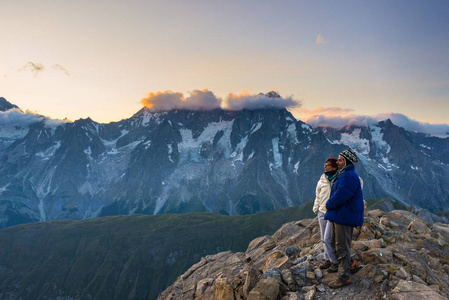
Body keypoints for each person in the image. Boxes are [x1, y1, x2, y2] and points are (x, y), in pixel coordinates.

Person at [325, 149, 364, 288]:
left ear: (347, 162)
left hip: (344, 216)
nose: (337, 161)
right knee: (337, 244)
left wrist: (328, 204)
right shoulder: (344, 174)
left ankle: (344, 278)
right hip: (341, 215)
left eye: (340, 160)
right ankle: (351, 265)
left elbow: (341, 196)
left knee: (341, 247)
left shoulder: (348, 176)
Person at [313, 158, 339, 272]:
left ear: (334, 167)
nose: (325, 167)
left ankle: (335, 262)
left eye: (327, 165)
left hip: (332, 212)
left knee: (328, 238)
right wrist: (316, 208)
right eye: (324, 164)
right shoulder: (322, 180)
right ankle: (327, 259)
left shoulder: (338, 179)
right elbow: (318, 195)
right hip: (321, 212)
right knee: (323, 238)